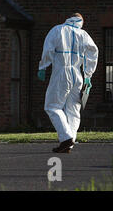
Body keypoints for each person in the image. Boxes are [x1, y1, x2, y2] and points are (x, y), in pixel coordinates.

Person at [38, 13, 98, 153]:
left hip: (61, 72)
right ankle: (69, 143)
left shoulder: (57, 30)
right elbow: (93, 52)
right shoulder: (84, 34)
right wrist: (88, 75)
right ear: (80, 22)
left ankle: (65, 138)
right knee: (73, 110)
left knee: (52, 106)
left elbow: (48, 49)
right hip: (78, 74)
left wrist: (43, 66)